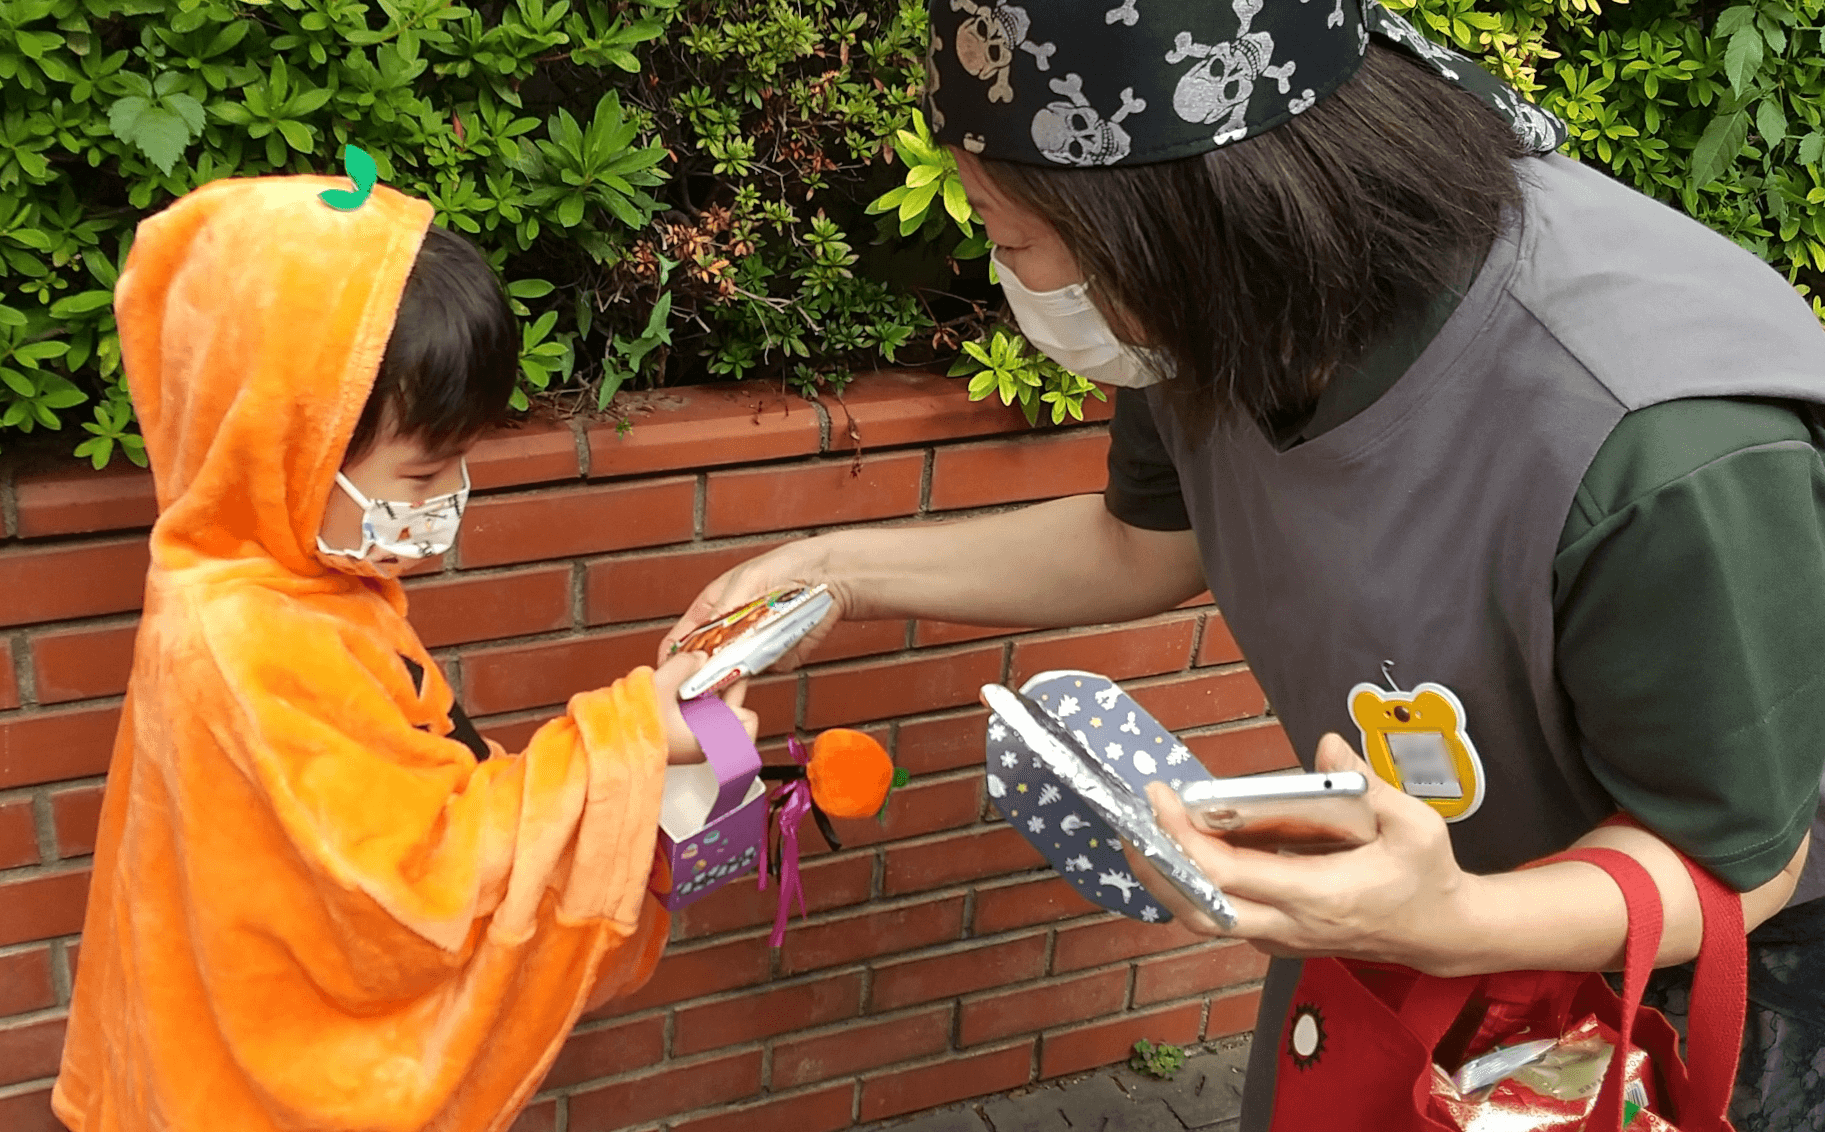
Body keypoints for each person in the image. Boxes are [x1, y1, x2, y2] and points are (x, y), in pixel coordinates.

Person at [668, 2, 1825, 1128]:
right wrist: (834, 570)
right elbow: (1141, 539)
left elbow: (1731, 858)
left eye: (1008, 237)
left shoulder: (1655, 445)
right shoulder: (1211, 304)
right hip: (1415, 906)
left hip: (1694, 982)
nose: (1002, 273)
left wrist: (1449, 922)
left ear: (1169, 214)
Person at [54, 174, 753, 1132]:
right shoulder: (245, 640)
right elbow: (408, 887)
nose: (451, 495)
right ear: (285, 443)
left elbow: (417, 790)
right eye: (423, 473)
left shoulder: (302, 587)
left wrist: (642, 769)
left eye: (461, 461)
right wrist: (626, 743)